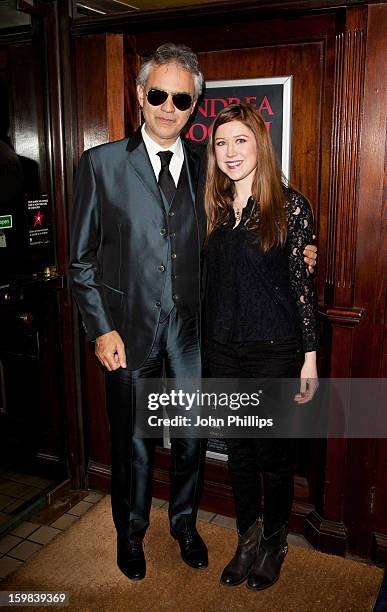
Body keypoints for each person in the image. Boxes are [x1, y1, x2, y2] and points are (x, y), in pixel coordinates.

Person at [68, 43, 317, 582]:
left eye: (181, 98)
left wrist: (304, 252)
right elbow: (79, 262)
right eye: (157, 94)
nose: (167, 106)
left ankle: (185, 524)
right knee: (131, 442)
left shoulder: (211, 169)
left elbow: (258, 231)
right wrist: (99, 329)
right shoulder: (101, 164)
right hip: (126, 334)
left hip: (193, 335)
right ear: (140, 95)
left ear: (193, 106)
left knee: (190, 438)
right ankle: (130, 533)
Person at [203, 102, 319, 591]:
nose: (230, 152)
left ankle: (274, 541)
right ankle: (246, 539)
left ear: (260, 144)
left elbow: (301, 286)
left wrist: (310, 357)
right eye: (221, 142)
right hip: (222, 350)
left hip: (274, 349)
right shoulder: (210, 206)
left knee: (273, 456)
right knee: (238, 453)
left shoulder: (290, 207)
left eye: (240, 140)